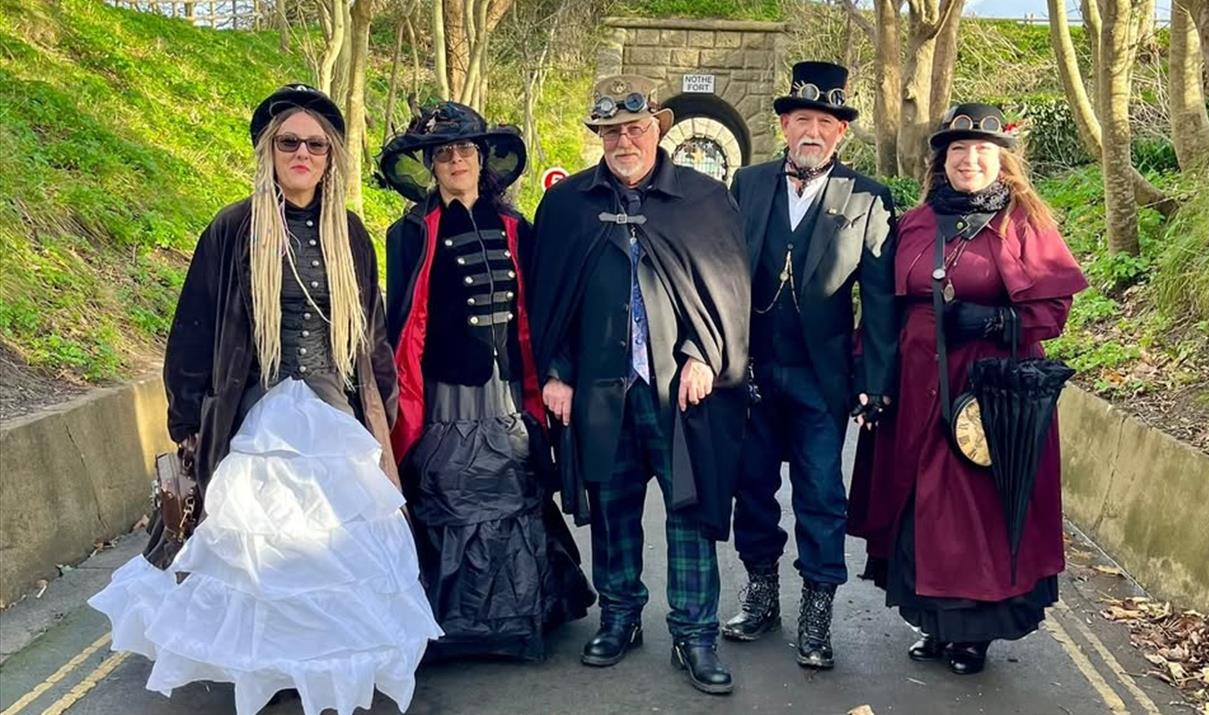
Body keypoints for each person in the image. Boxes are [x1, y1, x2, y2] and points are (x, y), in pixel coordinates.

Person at [88, 84, 441, 715]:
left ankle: (324, 671)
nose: (301, 153)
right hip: (257, 411)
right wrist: (186, 418)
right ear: (268, 151)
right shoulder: (234, 227)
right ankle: (269, 670)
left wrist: (380, 413)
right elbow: (194, 323)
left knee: (337, 555)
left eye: (315, 144)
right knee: (263, 550)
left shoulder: (351, 234)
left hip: (334, 413)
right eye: (289, 143)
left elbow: (373, 334)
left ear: (331, 157)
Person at [528, 75, 751, 695]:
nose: (624, 140)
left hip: (679, 391)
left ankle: (694, 632)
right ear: (599, 137)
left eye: (635, 128)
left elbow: (726, 292)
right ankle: (620, 616)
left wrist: (702, 355)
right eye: (611, 132)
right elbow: (553, 301)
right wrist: (558, 372)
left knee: (689, 511)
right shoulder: (568, 204)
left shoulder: (704, 200)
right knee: (612, 507)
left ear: (658, 129)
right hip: (600, 387)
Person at [849, 102, 1087, 675]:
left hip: (987, 392)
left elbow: (1054, 309)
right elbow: (884, 306)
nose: (969, 159)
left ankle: (971, 633)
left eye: (981, 150)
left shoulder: (1025, 222)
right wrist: (868, 376)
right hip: (915, 384)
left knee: (971, 511)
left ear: (1002, 160)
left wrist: (992, 321)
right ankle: (934, 623)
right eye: (958, 150)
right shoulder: (915, 222)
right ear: (942, 161)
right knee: (917, 505)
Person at [375, 101, 594, 661]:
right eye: (444, 153)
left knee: (513, 496)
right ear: (432, 165)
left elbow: (540, 310)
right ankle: (454, 624)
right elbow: (402, 319)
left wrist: (550, 373)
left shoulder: (517, 227)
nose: (456, 161)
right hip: (448, 395)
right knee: (451, 498)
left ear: (482, 160)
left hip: (507, 392)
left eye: (465, 151)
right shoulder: (409, 233)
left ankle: (515, 620)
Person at [720, 60, 900, 671]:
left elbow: (878, 303)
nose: (813, 131)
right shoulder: (747, 184)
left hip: (822, 383)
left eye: (825, 122)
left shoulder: (868, 198)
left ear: (840, 132)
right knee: (752, 489)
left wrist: (875, 384)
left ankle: (817, 615)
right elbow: (717, 278)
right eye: (802, 120)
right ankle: (762, 594)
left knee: (822, 496)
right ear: (784, 124)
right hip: (751, 373)